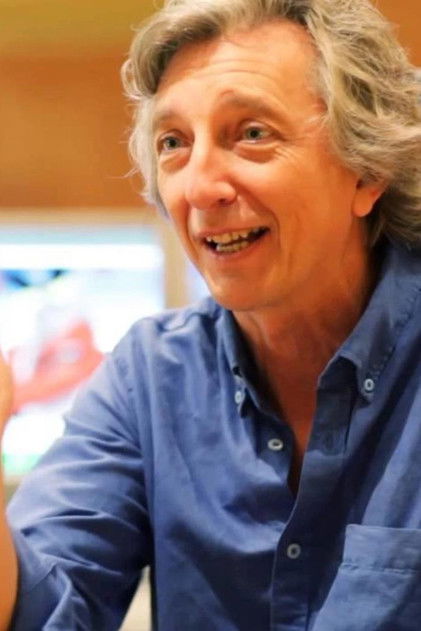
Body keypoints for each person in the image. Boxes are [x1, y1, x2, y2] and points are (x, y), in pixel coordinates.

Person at [2, 0, 421, 628]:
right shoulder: (150, 376)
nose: (199, 187)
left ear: (367, 171)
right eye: (173, 143)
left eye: (251, 133)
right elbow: (43, 612)